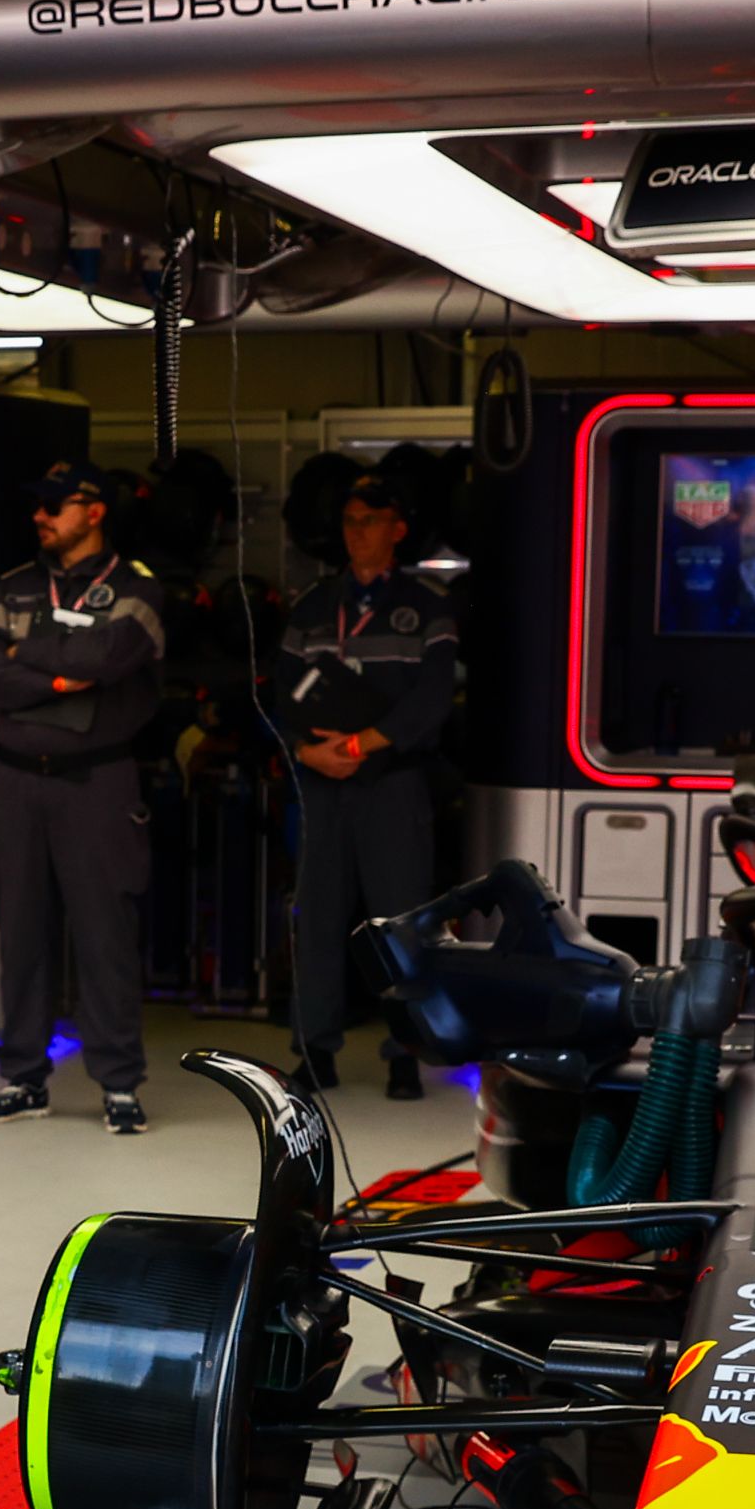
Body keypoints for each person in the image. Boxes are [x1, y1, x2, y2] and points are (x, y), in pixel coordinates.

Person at [0, 463, 166, 1133]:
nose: (41, 516)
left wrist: (25, 654)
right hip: (18, 781)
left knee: (105, 935)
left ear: (95, 510)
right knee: (20, 932)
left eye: (55, 505)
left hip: (97, 784)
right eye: (38, 504)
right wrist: (51, 679)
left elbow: (107, 660)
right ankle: (24, 1079)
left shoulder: (135, 588)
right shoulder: (14, 587)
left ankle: (119, 1085)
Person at [271, 471, 459, 1099]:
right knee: (317, 919)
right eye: (351, 521)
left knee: (400, 926)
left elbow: (433, 701)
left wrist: (358, 745)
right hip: (322, 784)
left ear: (398, 530)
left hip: (394, 786)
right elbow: (275, 697)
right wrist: (308, 753)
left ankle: (403, 1052)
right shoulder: (314, 607)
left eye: (372, 521)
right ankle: (315, 1050)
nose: (359, 532)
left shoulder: (429, 608)